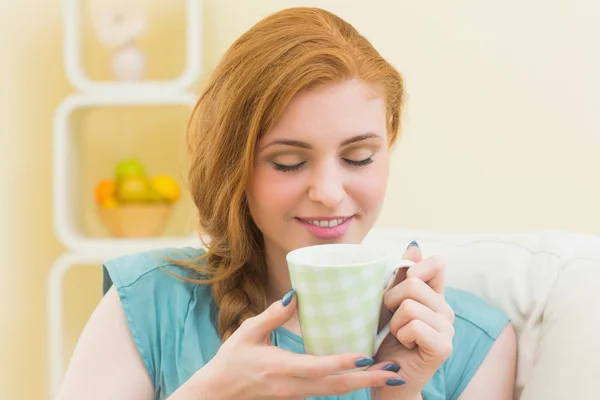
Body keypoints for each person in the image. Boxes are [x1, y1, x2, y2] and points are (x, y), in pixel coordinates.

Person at [56, 7, 517, 400]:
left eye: (358, 157)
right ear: (233, 166)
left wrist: (399, 394)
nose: (330, 192)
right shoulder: (148, 303)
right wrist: (211, 391)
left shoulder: (472, 343)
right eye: (290, 162)